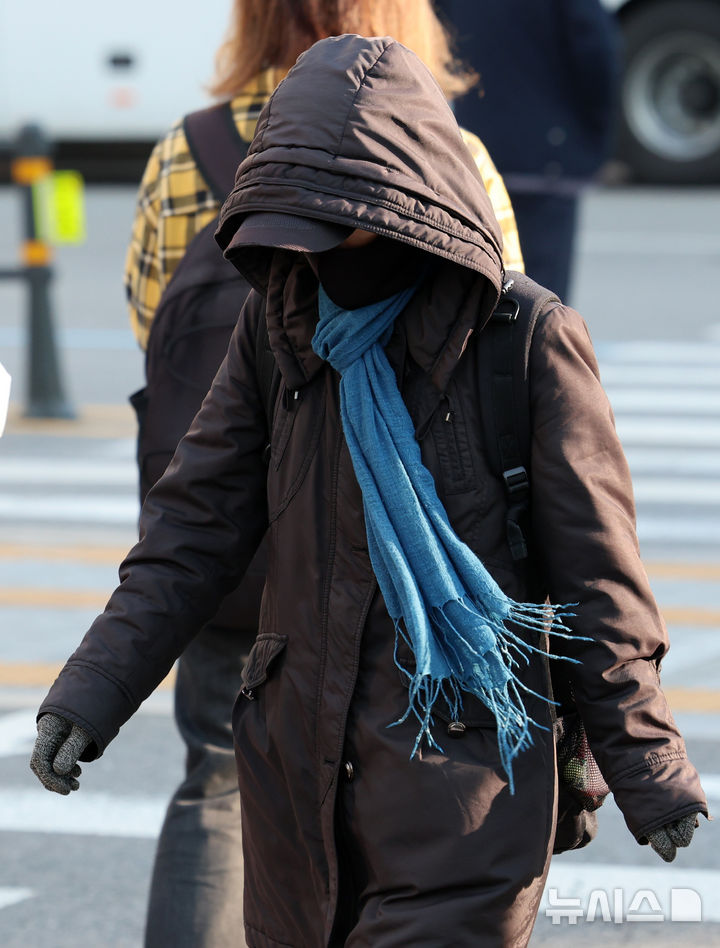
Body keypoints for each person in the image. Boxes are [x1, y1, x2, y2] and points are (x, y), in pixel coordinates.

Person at [32, 34, 706, 948]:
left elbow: (599, 576)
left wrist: (648, 761)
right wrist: (92, 688)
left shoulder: (524, 338)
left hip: (465, 784)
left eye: (326, 226)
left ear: (399, 212)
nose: (306, 254)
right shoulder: (282, 323)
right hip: (293, 791)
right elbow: (194, 524)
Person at [123, 2, 523, 945]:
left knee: (217, 778)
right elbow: (491, 331)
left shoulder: (188, 152)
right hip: (401, 551)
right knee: (402, 784)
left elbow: (152, 325)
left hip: (236, 544)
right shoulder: (450, 155)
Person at [436, 0, 621, 302]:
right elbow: (598, 53)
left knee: (478, 287)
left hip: (475, 147)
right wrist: (593, 130)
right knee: (542, 303)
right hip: (548, 153)